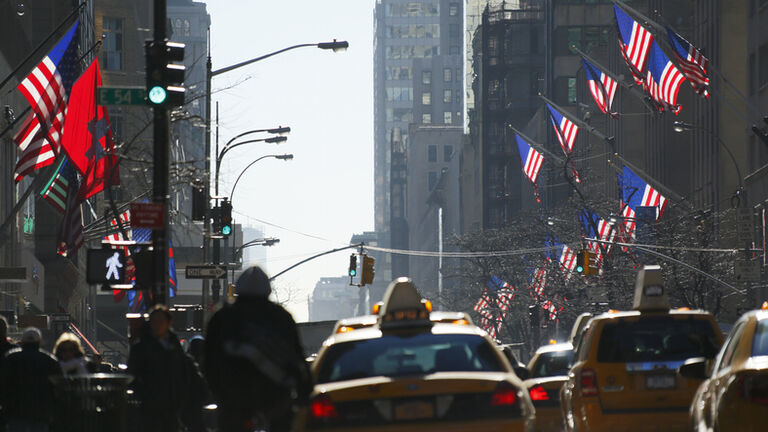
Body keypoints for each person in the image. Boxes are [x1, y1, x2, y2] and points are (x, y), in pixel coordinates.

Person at [204, 266, 312, 432]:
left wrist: (218, 392)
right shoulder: (281, 317)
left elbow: (208, 360)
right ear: (267, 290)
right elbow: (297, 357)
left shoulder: (222, 317)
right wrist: (303, 393)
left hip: (233, 401)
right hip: (275, 400)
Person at [127, 305, 189, 432]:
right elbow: (132, 374)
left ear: (169, 323)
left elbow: (182, 371)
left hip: (172, 404)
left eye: (161, 321)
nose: (157, 325)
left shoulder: (175, 345)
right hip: (150, 405)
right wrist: (143, 393)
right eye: (154, 322)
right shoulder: (141, 347)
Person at [0, 327, 62, 432]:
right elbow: (58, 386)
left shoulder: (11, 358)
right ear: (39, 342)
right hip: (41, 411)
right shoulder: (49, 360)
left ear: (22, 341)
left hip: (15, 411)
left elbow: (3, 384)